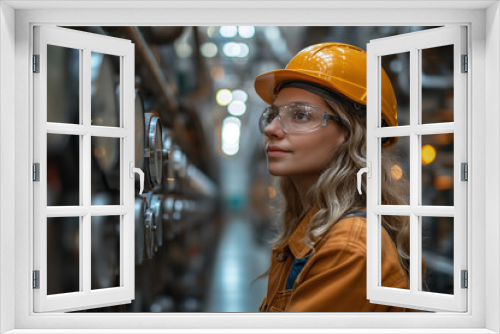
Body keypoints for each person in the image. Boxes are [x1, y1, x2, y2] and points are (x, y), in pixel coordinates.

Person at [254, 42, 416, 312]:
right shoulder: (317, 229)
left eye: (301, 115)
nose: (271, 129)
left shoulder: (349, 250)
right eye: (273, 114)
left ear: (351, 134)